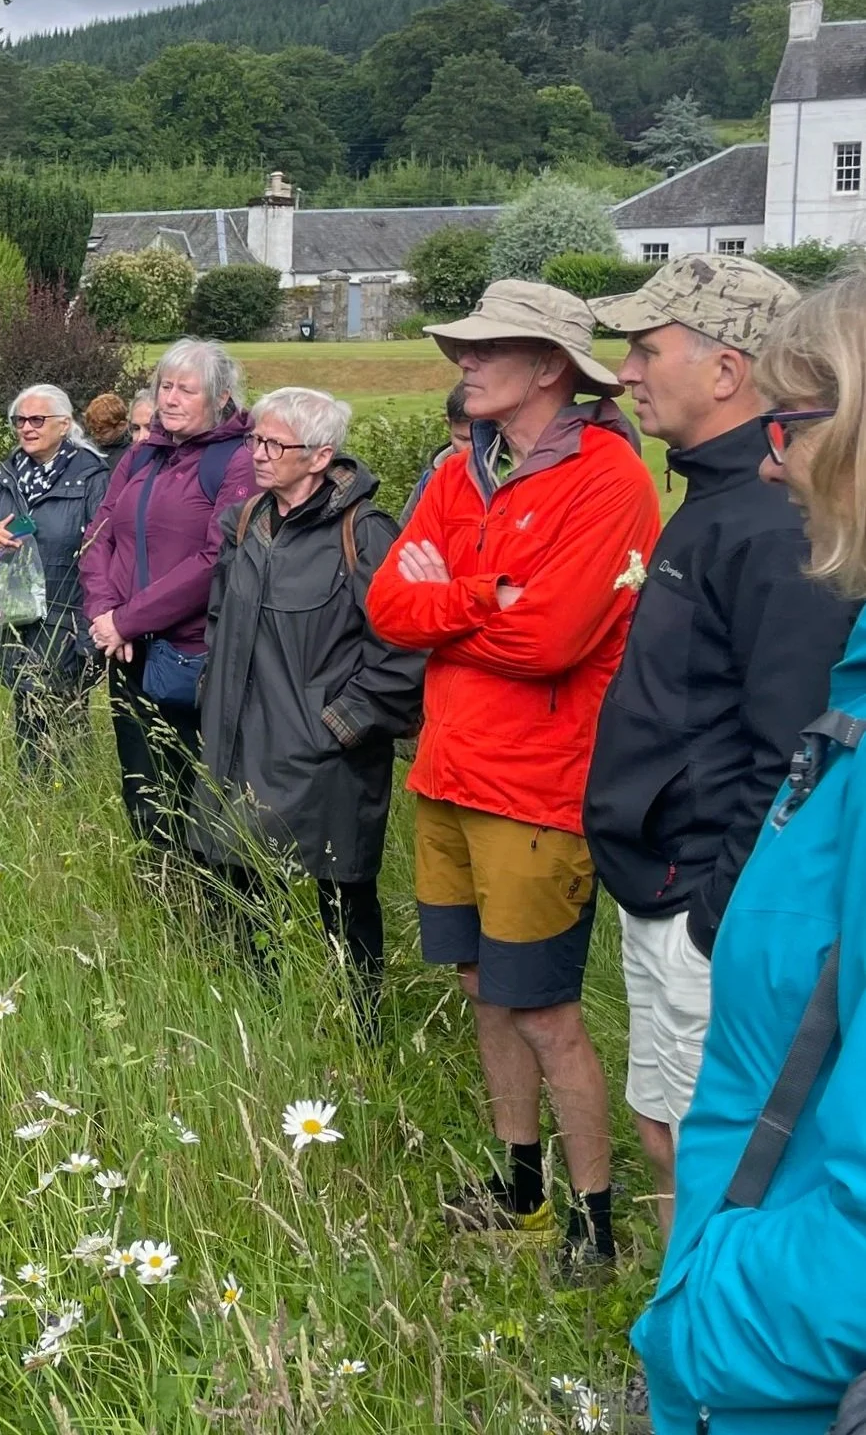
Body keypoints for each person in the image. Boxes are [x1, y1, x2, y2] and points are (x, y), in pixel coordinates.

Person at [368, 280, 661, 1280]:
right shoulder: (464, 469)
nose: (466, 360)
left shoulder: (609, 477)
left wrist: (450, 604)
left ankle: (593, 1220)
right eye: (466, 344)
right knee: (481, 989)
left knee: (542, 1009)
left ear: (549, 366)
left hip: (537, 790)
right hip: (447, 772)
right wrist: (488, 594)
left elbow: (549, 641)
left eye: (488, 347)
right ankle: (521, 1189)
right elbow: (386, 605)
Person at [632, 273, 866, 1434]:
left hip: (781, 1370)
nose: (771, 465)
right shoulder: (852, 687)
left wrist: (693, 1326)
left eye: (794, 426)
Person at [582, 257, 859, 1238]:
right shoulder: (716, 497)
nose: (625, 371)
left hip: (704, 892)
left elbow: (792, 747)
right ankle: (675, 1308)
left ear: (727, 368)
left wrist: (714, 913)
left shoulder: (781, 520)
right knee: (665, 1129)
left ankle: (700, 1316)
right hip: (667, 878)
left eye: (645, 349)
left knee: (718, 1151)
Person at [193, 387, 425, 1024]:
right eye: (256, 440)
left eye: (275, 444)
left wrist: (342, 724)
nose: (258, 454)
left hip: (327, 757)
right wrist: (213, 694)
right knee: (242, 892)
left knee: (343, 897)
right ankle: (260, 1030)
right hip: (238, 743)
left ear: (320, 456)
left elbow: (403, 647)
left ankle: (362, 1033)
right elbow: (219, 618)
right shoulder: (245, 522)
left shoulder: (365, 533)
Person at [81, 338, 257, 848]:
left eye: (186, 389)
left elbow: (215, 560)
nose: (170, 399)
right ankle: (157, 888)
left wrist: (127, 620)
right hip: (125, 649)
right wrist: (105, 614)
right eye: (165, 387)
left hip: (191, 656)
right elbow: (98, 536)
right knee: (142, 788)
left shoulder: (237, 462)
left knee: (195, 791)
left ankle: (203, 892)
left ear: (221, 397)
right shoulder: (142, 455)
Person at [0, 384, 112, 773]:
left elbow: (106, 550)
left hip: (66, 613)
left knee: (63, 707)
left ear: (64, 425)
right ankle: (33, 787)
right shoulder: (6, 475)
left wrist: (94, 622)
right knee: (26, 704)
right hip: (16, 613)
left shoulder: (91, 476)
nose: (26, 428)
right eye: (20, 420)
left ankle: (69, 787)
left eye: (37, 419)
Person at [402, 385, 473, 524]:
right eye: (463, 439)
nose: (471, 450)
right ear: (448, 425)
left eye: (483, 439)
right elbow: (403, 533)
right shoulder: (429, 482)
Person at [83, 391, 135, 483]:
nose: (97, 436)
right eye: (93, 431)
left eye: (104, 432)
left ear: (121, 425)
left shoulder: (133, 451)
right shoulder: (92, 450)